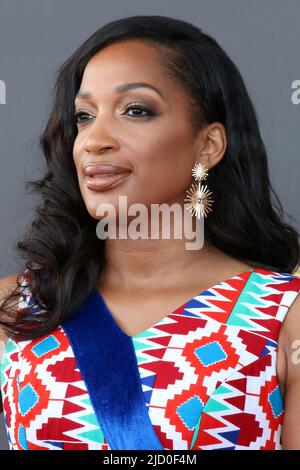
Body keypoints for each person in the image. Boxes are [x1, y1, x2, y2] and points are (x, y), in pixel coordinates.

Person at [0, 15, 300, 451]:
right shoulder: (18, 311)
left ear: (208, 145)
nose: (94, 140)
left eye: (135, 110)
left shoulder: (282, 315)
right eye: (83, 116)